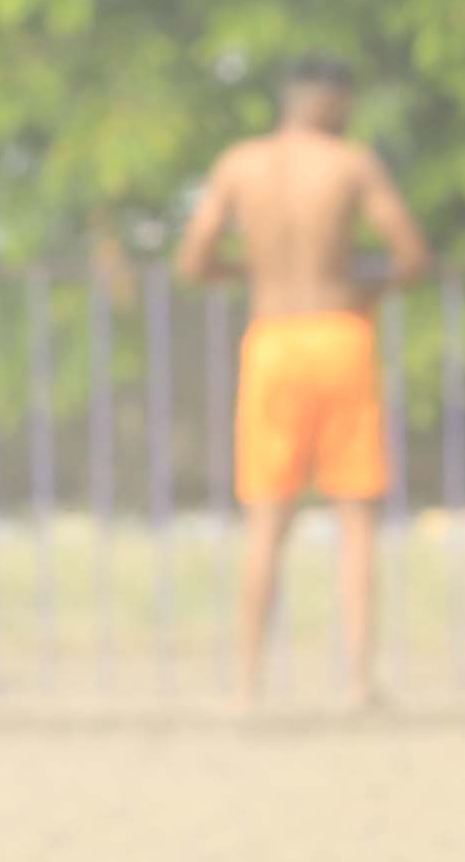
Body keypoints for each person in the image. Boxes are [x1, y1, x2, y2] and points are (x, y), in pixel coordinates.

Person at [178, 56, 428, 706]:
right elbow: (410, 253)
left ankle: (247, 684)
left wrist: (248, 275)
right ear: (332, 100)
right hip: (340, 334)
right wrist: (368, 289)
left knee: (265, 520)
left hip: (272, 340)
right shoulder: (351, 164)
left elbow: (194, 258)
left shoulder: (239, 164)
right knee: (355, 516)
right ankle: (357, 681)